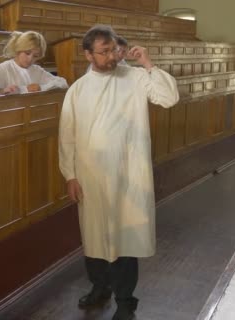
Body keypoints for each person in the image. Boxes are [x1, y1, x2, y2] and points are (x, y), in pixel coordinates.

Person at [58, 25, 179, 320]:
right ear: (88, 54)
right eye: (104, 51)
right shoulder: (78, 90)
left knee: (125, 238)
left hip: (128, 173)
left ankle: (125, 301)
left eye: (114, 49)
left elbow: (168, 98)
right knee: (95, 236)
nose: (113, 56)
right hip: (91, 177)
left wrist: (147, 64)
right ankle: (100, 288)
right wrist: (70, 175)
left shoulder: (136, 78)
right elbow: (67, 136)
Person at [0, 31, 68, 93]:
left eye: (35, 56)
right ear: (18, 49)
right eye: (27, 53)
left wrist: (41, 87)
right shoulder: (3, 69)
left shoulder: (37, 70)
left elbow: (63, 83)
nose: (30, 59)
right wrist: (6, 91)